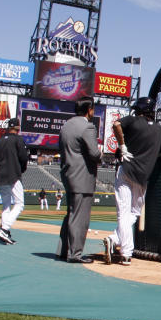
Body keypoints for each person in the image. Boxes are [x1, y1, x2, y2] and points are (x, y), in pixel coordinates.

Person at [104, 97, 161, 266]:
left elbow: (116, 125)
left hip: (126, 171)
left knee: (124, 213)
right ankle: (119, 244)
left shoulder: (134, 120)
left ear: (140, 109)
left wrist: (122, 146)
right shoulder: (158, 130)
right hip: (143, 177)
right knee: (134, 213)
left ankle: (121, 247)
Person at [58, 96, 101, 264]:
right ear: (89, 110)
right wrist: (101, 155)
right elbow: (94, 154)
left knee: (71, 213)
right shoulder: (87, 127)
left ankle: (63, 251)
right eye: (93, 109)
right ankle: (75, 254)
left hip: (68, 173)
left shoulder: (66, 125)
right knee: (80, 217)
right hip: (82, 177)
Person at [0, 117, 28, 245]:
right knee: (19, 204)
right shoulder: (18, 140)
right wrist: (20, 169)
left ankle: (4, 231)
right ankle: (4, 229)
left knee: (6, 205)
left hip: (1, 176)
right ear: (17, 127)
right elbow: (23, 158)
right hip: (13, 175)